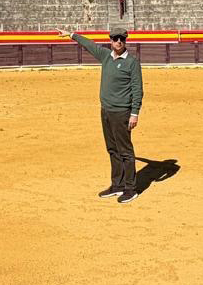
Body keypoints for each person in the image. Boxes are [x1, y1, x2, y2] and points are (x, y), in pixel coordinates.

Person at [57, 27, 144, 203]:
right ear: (110, 40)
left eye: (121, 39)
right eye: (115, 38)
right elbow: (90, 45)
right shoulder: (106, 56)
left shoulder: (132, 63)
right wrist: (72, 35)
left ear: (125, 41)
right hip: (106, 110)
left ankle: (130, 188)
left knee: (125, 151)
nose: (118, 41)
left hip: (122, 112)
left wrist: (134, 113)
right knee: (112, 149)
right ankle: (117, 185)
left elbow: (137, 89)